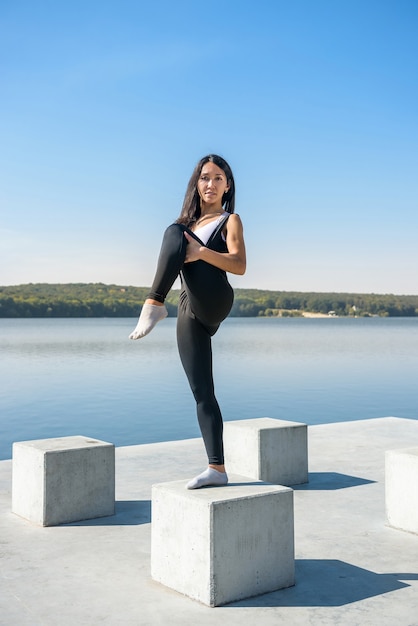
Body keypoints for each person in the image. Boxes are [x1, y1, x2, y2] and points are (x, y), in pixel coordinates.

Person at [129, 154, 246, 489]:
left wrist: (200, 252)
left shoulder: (230, 219)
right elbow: (179, 242)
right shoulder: (184, 227)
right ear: (197, 184)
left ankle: (152, 303)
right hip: (188, 306)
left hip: (215, 298)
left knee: (179, 235)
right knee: (202, 392)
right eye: (205, 178)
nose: (211, 184)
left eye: (218, 178)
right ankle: (217, 469)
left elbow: (239, 265)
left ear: (227, 185)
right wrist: (186, 244)